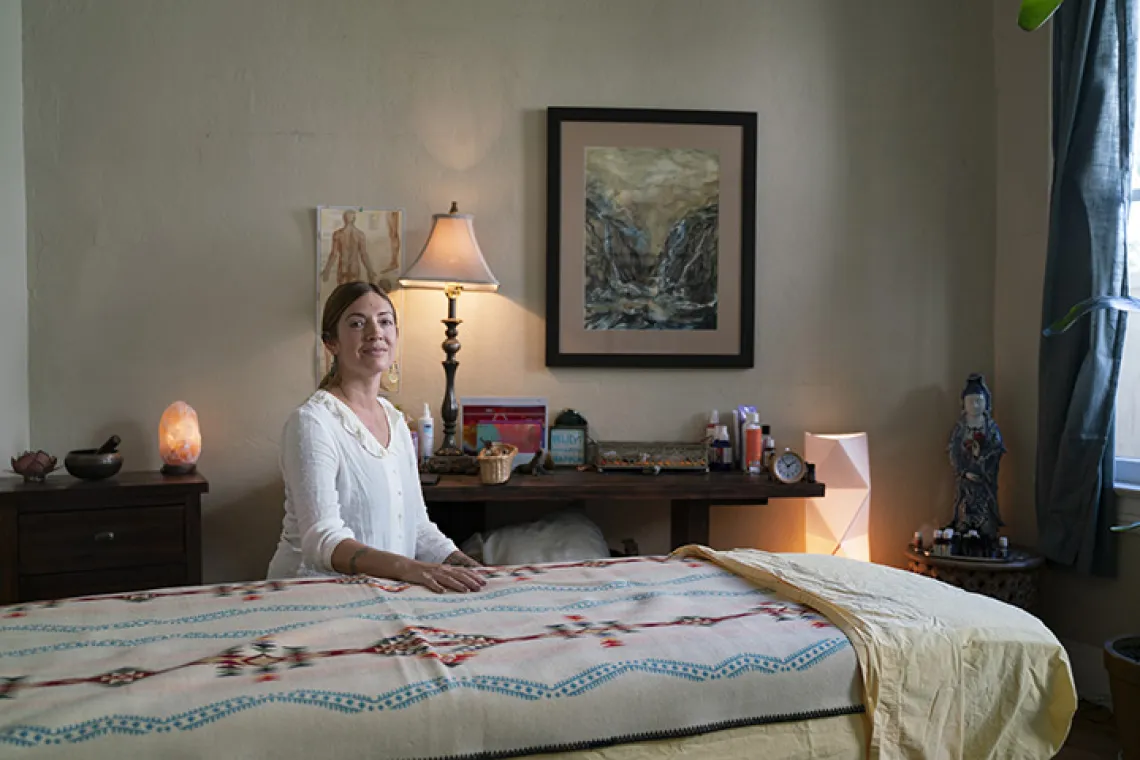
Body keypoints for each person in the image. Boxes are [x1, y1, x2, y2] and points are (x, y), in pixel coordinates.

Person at [266, 281, 485, 593]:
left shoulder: (395, 421)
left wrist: (469, 567)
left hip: (385, 596)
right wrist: (408, 568)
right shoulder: (312, 423)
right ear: (331, 343)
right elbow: (323, 540)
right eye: (357, 323)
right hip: (312, 597)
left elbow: (419, 528)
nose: (375, 332)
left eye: (385, 321)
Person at [948, 373, 1006, 540]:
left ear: (986, 403)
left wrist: (983, 462)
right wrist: (964, 471)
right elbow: (953, 451)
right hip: (965, 480)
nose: (974, 405)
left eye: (979, 401)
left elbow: (997, 448)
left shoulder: (990, 427)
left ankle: (988, 542)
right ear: (964, 404)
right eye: (970, 401)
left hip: (984, 480)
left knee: (986, 520)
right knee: (964, 515)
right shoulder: (961, 427)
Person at [321, 209, 379, 286]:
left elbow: (334, 254)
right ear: (354, 219)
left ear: (344, 219)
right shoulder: (360, 234)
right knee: (353, 292)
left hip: (343, 266)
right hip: (354, 267)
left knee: (343, 292)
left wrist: (327, 269)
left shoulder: (338, 234)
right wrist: (370, 270)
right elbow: (363, 254)